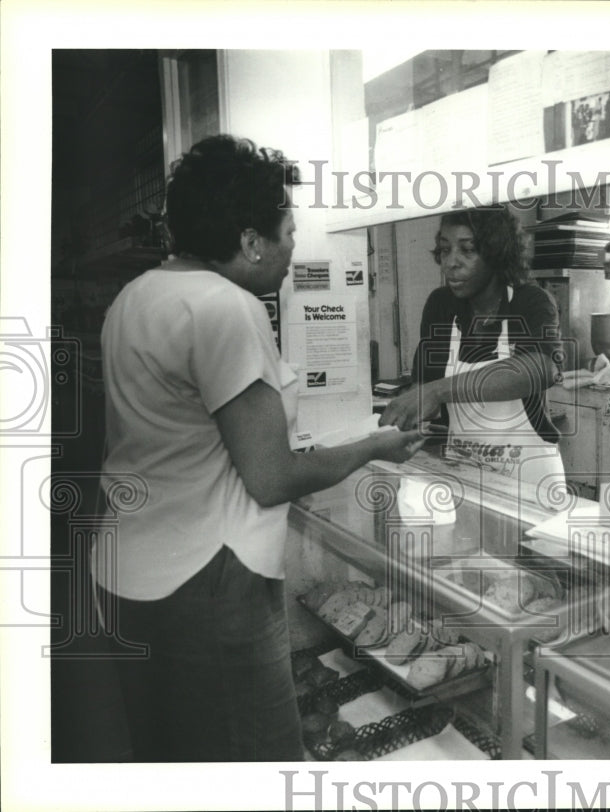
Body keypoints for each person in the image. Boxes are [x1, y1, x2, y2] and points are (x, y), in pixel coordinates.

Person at [93, 134, 423, 762]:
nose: (294, 247)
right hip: (207, 585)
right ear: (251, 241)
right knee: (251, 764)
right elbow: (270, 476)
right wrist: (375, 445)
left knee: (172, 761)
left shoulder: (134, 298)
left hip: (129, 574)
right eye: (289, 232)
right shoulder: (227, 308)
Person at [379, 205, 565, 502]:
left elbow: (541, 368)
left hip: (530, 482)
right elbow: (423, 388)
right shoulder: (441, 305)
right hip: (466, 476)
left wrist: (438, 391)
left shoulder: (530, 301)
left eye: (467, 250)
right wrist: (405, 424)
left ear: (496, 254)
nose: (450, 263)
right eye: (444, 250)